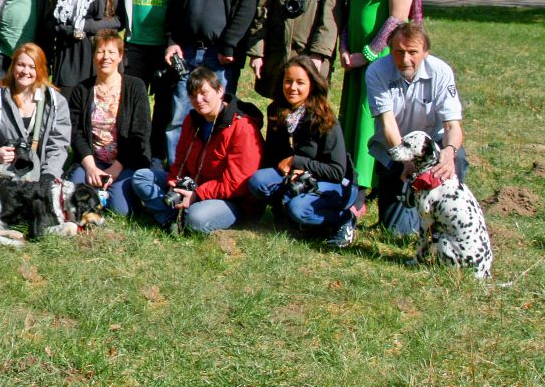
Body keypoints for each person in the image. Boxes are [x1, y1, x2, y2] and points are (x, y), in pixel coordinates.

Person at [337, 0, 424, 211]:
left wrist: (369, 55)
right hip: (354, 58)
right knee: (353, 115)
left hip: (381, 58)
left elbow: (397, 18)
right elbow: (349, 10)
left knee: (371, 116)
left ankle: (366, 184)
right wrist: (345, 48)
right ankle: (350, 174)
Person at [162, 0, 258, 161]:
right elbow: (175, 4)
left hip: (220, 55)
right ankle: (178, 170)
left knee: (216, 115)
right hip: (187, 51)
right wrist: (172, 40)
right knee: (179, 114)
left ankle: (209, 169)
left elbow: (247, 7)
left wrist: (229, 44)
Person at [131, 67, 263, 233]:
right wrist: (174, 181)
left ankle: (179, 217)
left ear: (220, 91)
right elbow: (180, 160)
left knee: (196, 218)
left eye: (204, 93)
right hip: (194, 185)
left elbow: (237, 183)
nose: (198, 100)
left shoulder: (242, 127)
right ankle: (172, 219)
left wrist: (198, 194)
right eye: (193, 96)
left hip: (231, 199)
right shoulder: (192, 120)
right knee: (141, 177)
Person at [365, 23, 466, 237]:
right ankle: (415, 214)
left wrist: (449, 153)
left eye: (413, 52)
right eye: (399, 52)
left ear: (425, 52)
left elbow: (452, 125)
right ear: (389, 49)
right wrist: (406, 162)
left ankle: (447, 214)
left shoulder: (441, 71)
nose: (405, 59)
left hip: (434, 146)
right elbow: (388, 123)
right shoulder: (376, 72)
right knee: (397, 232)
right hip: (395, 149)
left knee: (457, 157)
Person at [246, 56, 356, 245]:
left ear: (312, 85)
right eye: (288, 81)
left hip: (331, 182)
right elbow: (273, 155)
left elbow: (337, 171)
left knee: (298, 209)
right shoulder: (276, 111)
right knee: (258, 181)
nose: (292, 88)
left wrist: (298, 163)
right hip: (295, 177)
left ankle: (342, 218)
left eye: (300, 82)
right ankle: (289, 216)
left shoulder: (325, 118)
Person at [109, 0, 186, 163]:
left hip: (167, 45)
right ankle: (132, 153)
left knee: (165, 103)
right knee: (132, 101)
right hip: (135, 42)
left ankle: (157, 155)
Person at [68, 31, 151, 216]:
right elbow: (75, 132)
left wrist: (116, 168)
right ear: (93, 56)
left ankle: (106, 192)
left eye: (112, 52)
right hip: (92, 159)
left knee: (120, 210)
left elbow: (141, 133)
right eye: (100, 51)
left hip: (125, 161)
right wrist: (90, 167)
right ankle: (96, 189)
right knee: (74, 199)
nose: (106, 57)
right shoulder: (81, 90)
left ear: (120, 56)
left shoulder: (135, 87)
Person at [0, 43, 71, 184]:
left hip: (43, 175)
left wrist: (48, 176)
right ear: (13, 66)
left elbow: (58, 145)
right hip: (5, 173)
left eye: (32, 67)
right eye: (21, 65)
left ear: (41, 70)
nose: (26, 71)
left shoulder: (56, 102)